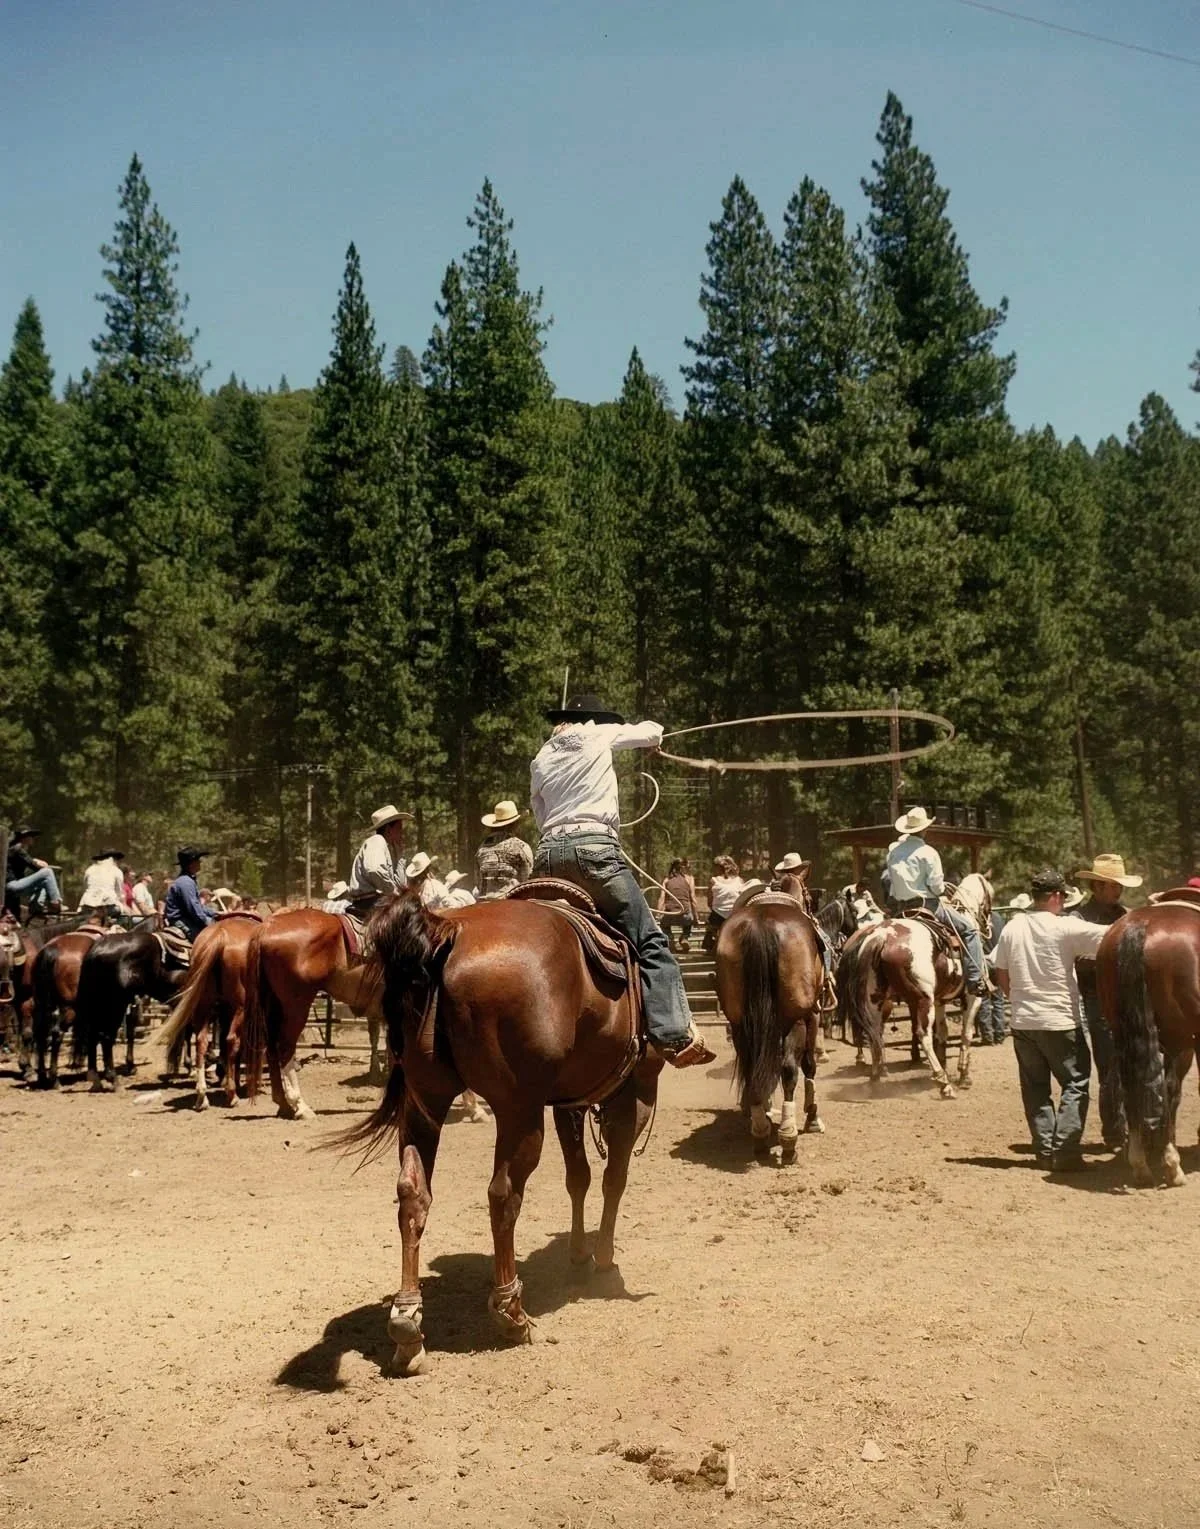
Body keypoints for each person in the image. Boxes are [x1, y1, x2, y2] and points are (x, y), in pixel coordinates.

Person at [530, 692, 714, 1067]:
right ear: (596, 720)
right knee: (650, 943)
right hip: (595, 852)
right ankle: (673, 1034)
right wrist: (654, 742)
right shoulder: (598, 734)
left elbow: (539, 811)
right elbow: (651, 731)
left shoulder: (542, 756)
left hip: (548, 855)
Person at [993, 866, 1108, 1173]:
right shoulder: (1065, 927)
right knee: (1076, 1083)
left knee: (1035, 1088)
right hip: (1059, 1021)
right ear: (1057, 897)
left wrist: (1017, 998)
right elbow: (1109, 938)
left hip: (1023, 1020)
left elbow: (1001, 972)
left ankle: (1045, 1151)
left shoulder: (1012, 927)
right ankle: (1066, 1151)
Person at [1071, 852, 1141, 1151]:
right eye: (1113, 886)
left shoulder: (1126, 915)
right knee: (1110, 1062)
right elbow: (1075, 961)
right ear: (1097, 886)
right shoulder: (1077, 920)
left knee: (1133, 1060)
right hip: (1096, 997)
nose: (1118, 891)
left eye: (1118, 886)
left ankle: (1131, 1124)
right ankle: (1114, 1129)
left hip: (1128, 997)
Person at [885, 808, 988, 995]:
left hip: (900, 908)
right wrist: (941, 891)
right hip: (927, 905)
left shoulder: (893, 852)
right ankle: (975, 980)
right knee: (970, 929)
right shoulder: (928, 852)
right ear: (925, 829)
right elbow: (937, 887)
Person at [476, 799, 534, 898]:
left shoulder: (481, 849)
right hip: (511, 899)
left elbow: (477, 881)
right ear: (515, 824)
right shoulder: (521, 846)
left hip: (483, 900)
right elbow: (528, 880)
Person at [349, 805, 412, 897]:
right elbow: (375, 870)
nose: (402, 832)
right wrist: (392, 891)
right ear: (388, 830)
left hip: (378, 901)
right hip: (369, 900)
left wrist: (400, 856)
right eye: (399, 828)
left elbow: (401, 884)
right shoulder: (377, 840)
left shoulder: (391, 849)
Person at [163, 847, 218, 941]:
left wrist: (214, 913)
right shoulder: (186, 882)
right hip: (181, 921)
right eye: (197, 860)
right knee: (212, 939)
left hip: (185, 919)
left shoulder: (187, 880)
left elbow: (197, 906)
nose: (200, 862)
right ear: (191, 864)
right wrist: (207, 921)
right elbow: (194, 909)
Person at [5, 826, 62, 917]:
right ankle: (55, 902)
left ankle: (37, 907)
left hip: (15, 886)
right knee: (47, 872)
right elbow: (37, 865)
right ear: (25, 837)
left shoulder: (17, 850)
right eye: (31, 836)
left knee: (45, 881)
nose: (33, 838)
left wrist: (35, 861)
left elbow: (33, 865)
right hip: (12, 885)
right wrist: (37, 861)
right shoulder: (17, 848)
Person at [704, 856, 745, 953]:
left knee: (711, 922)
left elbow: (709, 902)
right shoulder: (740, 880)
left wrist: (717, 908)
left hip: (718, 915)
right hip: (735, 914)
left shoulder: (714, 880)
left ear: (718, 867)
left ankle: (710, 946)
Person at [656, 858, 698, 952]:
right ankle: (684, 937)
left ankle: (670, 938)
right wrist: (696, 917)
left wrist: (658, 914)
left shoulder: (666, 880)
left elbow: (662, 898)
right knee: (688, 925)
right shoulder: (689, 879)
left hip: (670, 914)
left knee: (664, 925)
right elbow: (693, 899)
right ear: (684, 867)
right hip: (685, 914)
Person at [78, 850, 127, 916]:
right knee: (121, 911)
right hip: (107, 908)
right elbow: (119, 893)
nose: (117, 862)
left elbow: (85, 888)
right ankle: (117, 925)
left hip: (87, 906)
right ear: (112, 859)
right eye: (116, 859)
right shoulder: (116, 871)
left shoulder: (89, 870)